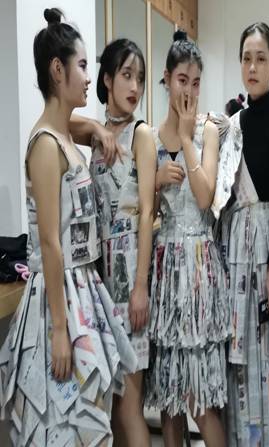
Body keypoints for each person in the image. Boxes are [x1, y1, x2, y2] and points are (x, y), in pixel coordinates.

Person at [0, 8, 136, 445]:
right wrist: (60, 330)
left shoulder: (62, 136)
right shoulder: (45, 144)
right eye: (81, 66)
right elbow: (49, 242)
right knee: (65, 423)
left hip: (82, 287)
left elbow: (72, 125)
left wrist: (96, 127)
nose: (88, 77)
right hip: (58, 298)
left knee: (90, 418)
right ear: (57, 70)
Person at [146, 30, 228, 447]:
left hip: (199, 268)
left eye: (196, 82)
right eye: (182, 80)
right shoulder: (148, 137)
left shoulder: (208, 130)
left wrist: (185, 137)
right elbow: (140, 209)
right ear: (166, 78)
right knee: (169, 395)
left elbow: (204, 196)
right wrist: (156, 180)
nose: (189, 91)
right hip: (165, 270)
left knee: (201, 398)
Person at [219, 22, 269, 446]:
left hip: (266, 244)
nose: (253, 66)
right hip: (235, 248)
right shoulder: (233, 124)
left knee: (268, 350)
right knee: (239, 355)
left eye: (261, 59)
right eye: (247, 58)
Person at [91, 38, 157, 446]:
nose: (135, 86)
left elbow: (147, 214)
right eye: (127, 75)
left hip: (131, 273)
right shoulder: (96, 136)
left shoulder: (141, 134)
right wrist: (98, 128)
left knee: (130, 406)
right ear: (107, 79)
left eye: (140, 78)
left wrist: (140, 287)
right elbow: (61, 123)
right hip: (99, 283)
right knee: (111, 407)